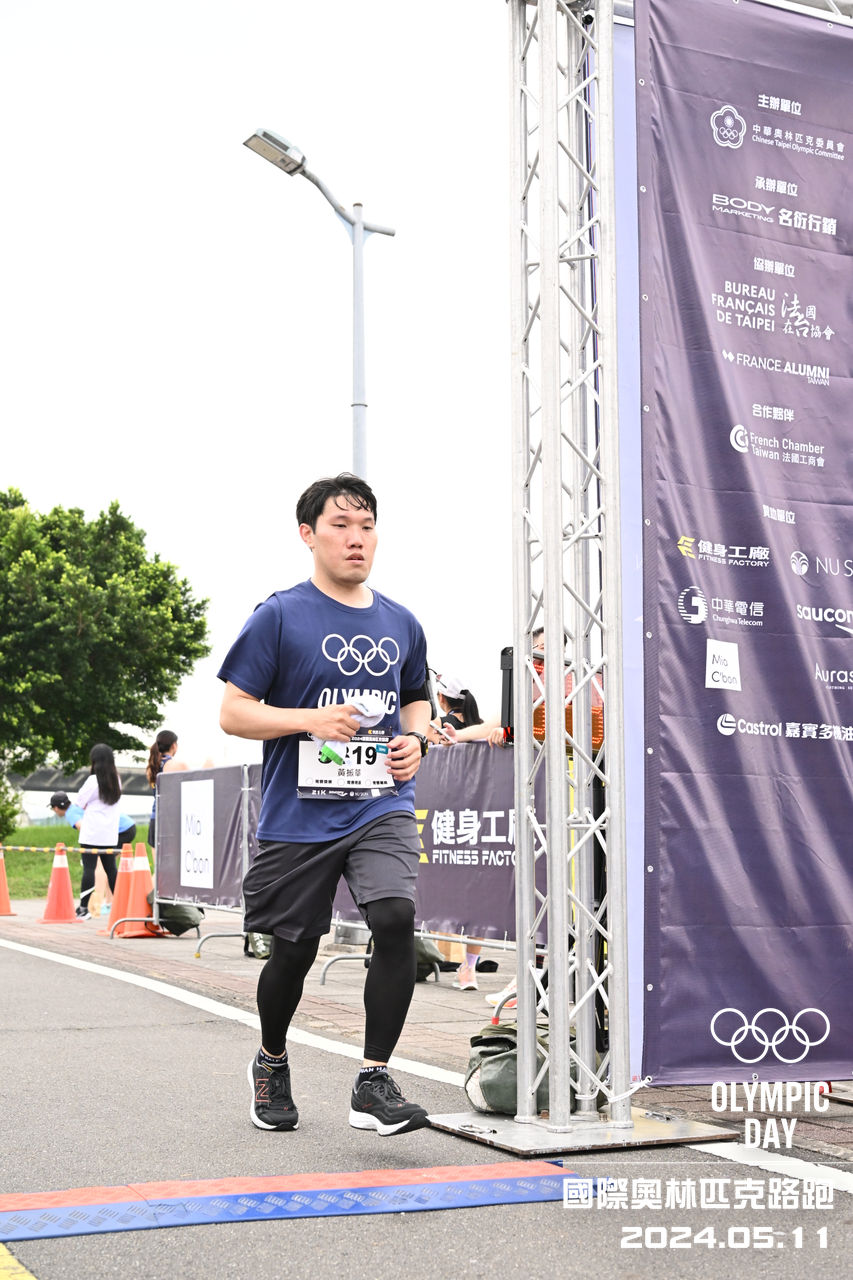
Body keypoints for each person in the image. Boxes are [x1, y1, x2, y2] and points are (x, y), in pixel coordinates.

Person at [218, 473, 432, 1137]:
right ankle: (271, 1059)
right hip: (300, 814)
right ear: (308, 535)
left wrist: (417, 740)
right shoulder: (280, 615)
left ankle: (373, 1080)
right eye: (340, 526)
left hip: (379, 803)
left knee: (394, 919)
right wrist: (308, 719)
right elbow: (233, 712)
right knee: (294, 950)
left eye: (366, 526)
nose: (356, 539)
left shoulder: (401, 622)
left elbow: (416, 698)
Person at [428, 674, 489, 992]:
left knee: (438, 890)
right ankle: (469, 968)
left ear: (441, 699)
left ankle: (456, 964)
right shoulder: (483, 727)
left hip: (444, 820)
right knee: (477, 898)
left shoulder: (439, 726)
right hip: (477, 821)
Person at [74, 744, 122, 920]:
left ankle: (83, 909)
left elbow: (79, 802)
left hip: (91, 832)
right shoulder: (117, 780)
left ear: (95, 761)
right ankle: (121, 906)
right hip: (109, 834)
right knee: (111, 870)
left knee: (89, 869)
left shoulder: (92, 781)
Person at [146, 730, 188, 847]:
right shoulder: (178, 765)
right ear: (174, 745)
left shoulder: (151, 768)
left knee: (157, 858)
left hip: (155, 817)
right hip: (172, 819)